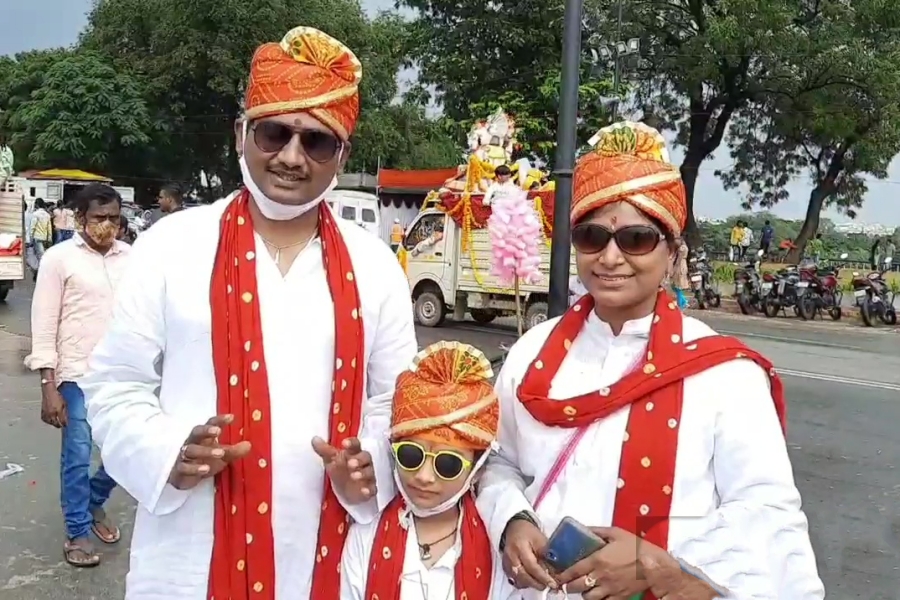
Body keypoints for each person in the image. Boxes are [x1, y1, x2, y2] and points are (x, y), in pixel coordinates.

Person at [80, 26, 417, 600]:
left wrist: (372, 469)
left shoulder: (375, 265)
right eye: (274, 132)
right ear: (242, 132)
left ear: (342, 155)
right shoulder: (174, 243)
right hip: (192, 549)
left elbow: (396, 401)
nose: (290, 156)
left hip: (331, 549)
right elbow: (116, 383)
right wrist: (169, 455)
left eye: (316, 142)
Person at [476, 121, 824, 600]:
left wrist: (654, 569)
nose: (611, 257)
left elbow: (765, 516)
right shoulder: (531, 353)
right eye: (592, 236)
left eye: (636, 239)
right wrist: (512, 521)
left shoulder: (724, 375)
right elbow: (497, 463)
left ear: (672, 251)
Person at [340, 341, 498, 600]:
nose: (424, 476)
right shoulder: (364, 538)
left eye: (447, 463)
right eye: (411, 455)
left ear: (478, 468)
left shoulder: (496, 547)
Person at [24, 184, 131, 567]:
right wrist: (47, 385)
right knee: (78, 456)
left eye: (114, 218)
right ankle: (78, 531)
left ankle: (93, 501)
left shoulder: (131, 258)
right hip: (76, 375)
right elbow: (44, 322)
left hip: (123, 376)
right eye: (99, 218)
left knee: (125, 452)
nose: (108, 225)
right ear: (81, 219)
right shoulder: (59, 259)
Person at [30, 198, 53, 266]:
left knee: (39, 255)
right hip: (44, 237)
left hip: (37, 237)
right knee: (42, 254)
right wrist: (49, 239)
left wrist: (30, 237)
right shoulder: (47, 215)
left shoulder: (35, 214)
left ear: (36, 205)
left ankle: (40, 270)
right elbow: (49, 228)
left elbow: (32, 227)